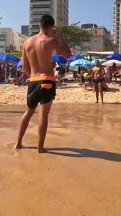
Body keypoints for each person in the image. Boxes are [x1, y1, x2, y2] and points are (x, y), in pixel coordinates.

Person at [15, 14, 72, 153]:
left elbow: (25, 66)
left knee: (28, 113)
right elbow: (68, 54)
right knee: (43, 115)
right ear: (52, 27)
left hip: (33, 81)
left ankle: (18, 143)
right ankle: (40, 148)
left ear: (40, 25)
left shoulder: (27, 42)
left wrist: (33, 79)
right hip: (47, 80)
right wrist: (60, 37)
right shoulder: (50, 41)